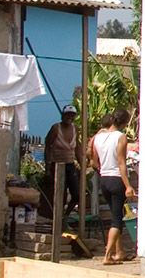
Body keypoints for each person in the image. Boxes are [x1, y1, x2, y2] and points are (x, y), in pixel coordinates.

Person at [91, 108, 133, 265]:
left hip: (104, 179)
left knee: (116, 214)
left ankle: (119, 252)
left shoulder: (98, 137)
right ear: (123, 123)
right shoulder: (120, 137)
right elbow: (122, 163)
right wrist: (128, 185)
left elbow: (94, 161)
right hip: (117, 179)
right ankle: (107, 255)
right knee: (116, 220)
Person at [44, 105, 82, 221]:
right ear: (62, 115)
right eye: (67, 115)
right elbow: (48, 147)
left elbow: (77, 148)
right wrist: (47, 168)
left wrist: (82, 163)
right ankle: (57, 219)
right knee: (61, 195)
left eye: (72, 115)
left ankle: (64, 217)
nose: (69, 117)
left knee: (76, 195)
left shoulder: (75, 128)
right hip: (57, 165)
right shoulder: (56, 128)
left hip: (70, 165)